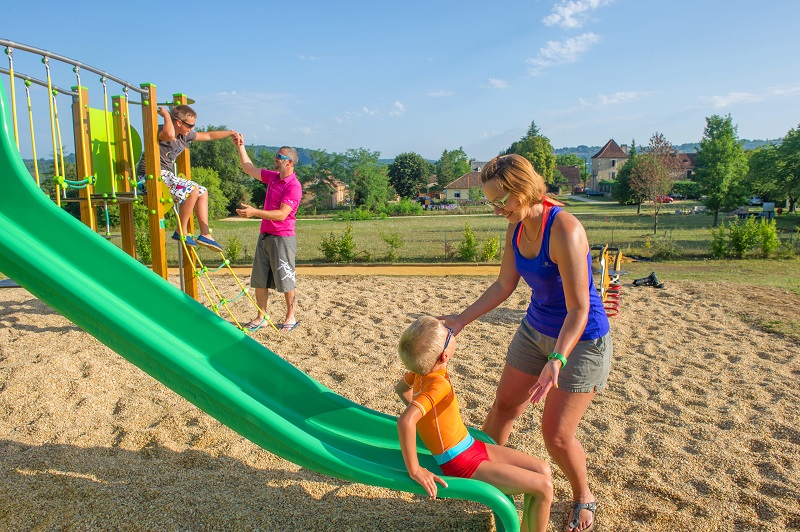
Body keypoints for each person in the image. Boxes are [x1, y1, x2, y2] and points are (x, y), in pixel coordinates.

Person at [439, 154, 611, 532]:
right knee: (502, 408)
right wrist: (460, 319)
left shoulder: (564, 229)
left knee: (557, 435)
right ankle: (490, 485)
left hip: (581, 339)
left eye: (502, 200)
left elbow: (579, 308)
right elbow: (504, 284)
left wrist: (557, 359)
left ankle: (584, 496)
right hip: (535, 329)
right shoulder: (516, 227)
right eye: (491, 203)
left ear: (524, 189)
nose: (498, 209)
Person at [395, 315, 553, 532]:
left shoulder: (420, 372)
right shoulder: (437, 385)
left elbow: (400, 389)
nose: (451, 331)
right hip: (461, 462)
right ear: (444, 356)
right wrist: (415, 470)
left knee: (542, 469)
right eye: (448, 333)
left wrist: (427, 418)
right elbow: (405, 421)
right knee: (544, 487)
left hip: (471, 445)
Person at [136, 105, 237, 252]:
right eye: (189, 125)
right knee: (193, 190)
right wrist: (165, 114)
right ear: (178, 122)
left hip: (164, 176)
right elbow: (170, 135)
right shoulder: (160, 130)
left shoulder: (185, 136)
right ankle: (181, 230)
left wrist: (230, 133)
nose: (192, 128)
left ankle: (205, 234)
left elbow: (208, 135)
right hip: (149, 177)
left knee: (202, 191)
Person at [232, 133, 302, 332]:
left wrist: (254, 212)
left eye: (279, 157)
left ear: (289, 163)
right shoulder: (272, 177)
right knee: (260, 279)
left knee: (286, 279)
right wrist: (240, 146)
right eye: (276, 156)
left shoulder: (293, 186)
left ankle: (290, 317)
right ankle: (261, 316)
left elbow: (281, 215)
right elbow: (248, 167)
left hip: (282, 238)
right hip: (265, 235)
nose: (275, 159)